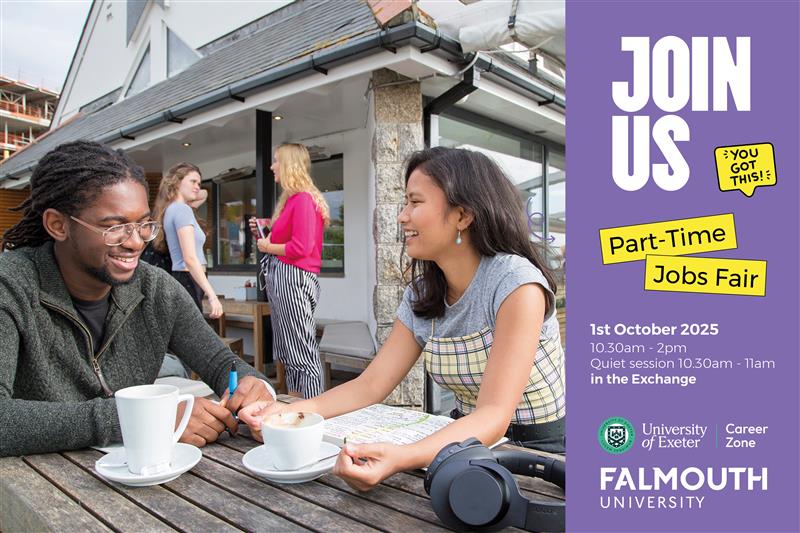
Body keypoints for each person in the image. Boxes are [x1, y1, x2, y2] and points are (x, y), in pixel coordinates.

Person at [240, 147, 565, 491]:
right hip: (462, 440)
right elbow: (371, 385)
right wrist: (290, 412)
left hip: (539, 454)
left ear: (462, 215)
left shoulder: (516, 283)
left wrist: (403, 456)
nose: (402, 216)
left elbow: (495, 416)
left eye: (415, 202)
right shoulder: (422, 294)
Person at [0, 141, 275, 457]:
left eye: (144, 224)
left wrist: (256, 390)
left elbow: (220, 363)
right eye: (115, 227)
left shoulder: (156, 289)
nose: (135, 242)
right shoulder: (11, 286)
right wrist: (144, 418)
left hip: (143, 482)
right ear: (58, 225)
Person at [252, 143, 330, 399]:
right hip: (287, 277)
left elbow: (301, 247)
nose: (271, 166)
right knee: (290, 346)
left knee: (301, 349)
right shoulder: (294, 200)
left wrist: (267, 246)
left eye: (276, 160)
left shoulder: (303, 200)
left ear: (288, 164)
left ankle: (313, 409)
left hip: (293, 278)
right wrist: (265, 232)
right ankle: (298, 400)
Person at [153, 163, 223, 318]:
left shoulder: (173, 208)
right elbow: (190, 259)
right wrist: (212, 295)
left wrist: (186, 191)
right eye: (193, 181)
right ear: (177, 182)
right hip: (188, 279)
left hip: (185, 278)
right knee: (192, 336)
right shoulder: (182, 210)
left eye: (199, 183)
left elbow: (204, 194)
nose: (198, 187)